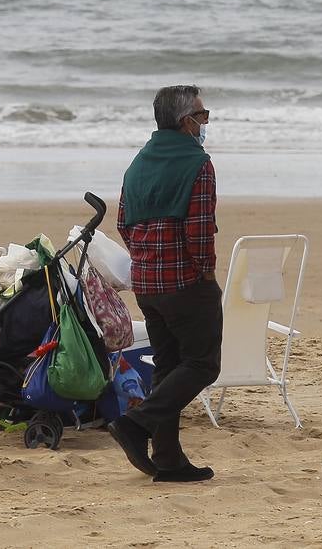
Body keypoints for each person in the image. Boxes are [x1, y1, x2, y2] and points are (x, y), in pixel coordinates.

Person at [109, 85, 222, 483]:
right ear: (186, 122)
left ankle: (169, 459)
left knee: (168, 366)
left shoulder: (138, 163)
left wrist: (146, 259)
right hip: (186, 282)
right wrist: (206, 272)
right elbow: (199, 232)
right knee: (203, 364)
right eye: (202, 116)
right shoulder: (198, 164)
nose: (205, 123)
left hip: (146, 283)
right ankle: (136, 423)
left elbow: (123, 223)